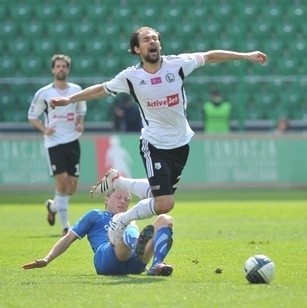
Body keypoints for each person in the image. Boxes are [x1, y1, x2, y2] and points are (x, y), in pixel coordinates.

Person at [49, 26, 268, 244]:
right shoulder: (131, 77)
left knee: (159, 197)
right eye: (146, 39)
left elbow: (210, 56)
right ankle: (122, 220)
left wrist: (245, 56)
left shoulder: (178, 64)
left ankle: (118, 181)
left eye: (155, 38)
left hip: (181, 144)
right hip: (154, 144)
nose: (152, 41)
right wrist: (69, 100)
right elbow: (101, 89)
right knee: (164, 203)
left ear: (160, 44)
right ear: (136, 48)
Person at [22, 190, 174, 276]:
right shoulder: (95, 215)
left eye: (126, 198)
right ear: (106, 199)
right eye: (118, 197)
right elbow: (68, 238)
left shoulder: (131, 218)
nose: (123, 201)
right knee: (125, 224)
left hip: (135, 264)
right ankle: (136, 245)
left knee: (165, 219)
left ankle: (156, 264)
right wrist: (47, 259)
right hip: (106, 259)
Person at [28, 54, 87, 236]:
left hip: (72, 140)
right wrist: (44, 129)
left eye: (64, 66)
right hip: (53, 142)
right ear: (53, 69)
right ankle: (65, 226)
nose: (61, 69)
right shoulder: (44, 93)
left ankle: (53, 206)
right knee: (61, 182)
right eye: (58, 66)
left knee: (72, 187)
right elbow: (32, 116)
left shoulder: (76, 90)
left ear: (68, 70)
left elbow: (81, 110)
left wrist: (79, 122)